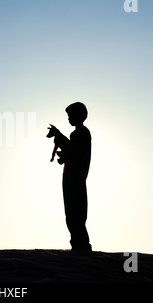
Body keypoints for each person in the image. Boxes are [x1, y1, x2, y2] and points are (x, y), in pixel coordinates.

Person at [49, 102, 92, 253]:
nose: (69, 118)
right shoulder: (77, 134)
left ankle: (81, 245)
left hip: (75, 177)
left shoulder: (82, 133)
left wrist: (59, 136)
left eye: (70, 115)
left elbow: (75, 153)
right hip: (71, 175)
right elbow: (72, 153)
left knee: (75, 211)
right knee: (72, 211)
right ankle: (78, 243)